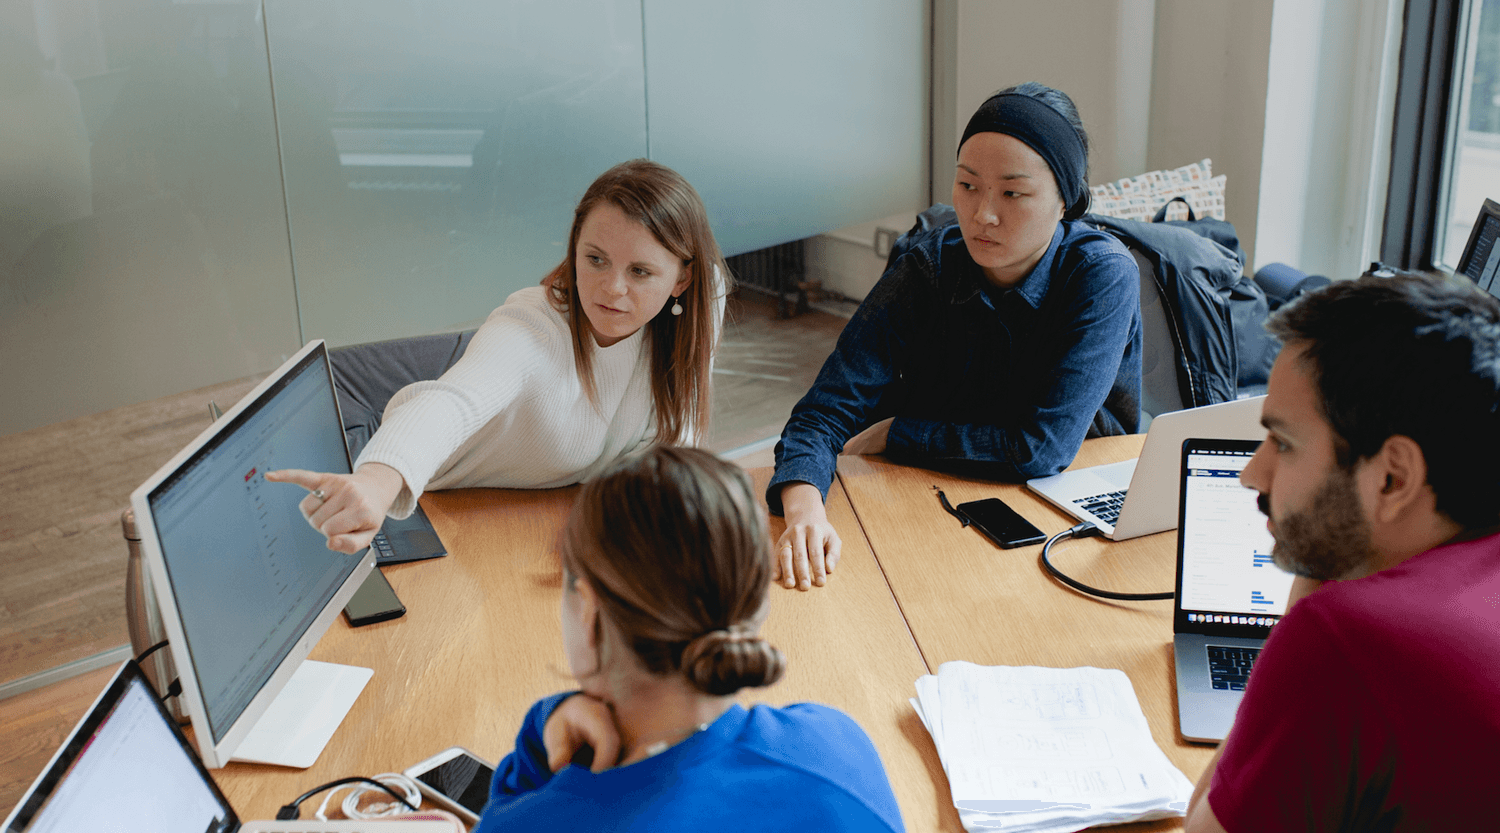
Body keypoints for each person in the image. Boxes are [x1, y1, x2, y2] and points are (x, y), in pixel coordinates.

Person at [768, 82, 1141, 590]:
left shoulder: (1101, 274)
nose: (983, 214)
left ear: (1065, 201)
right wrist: (804, 511)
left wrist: (899, 434)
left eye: (1012, 193)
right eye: (967, 185)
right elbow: (823, 412)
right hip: (939, 490)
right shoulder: (929, 265)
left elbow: (1041, 449)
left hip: (1069, 506)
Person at [269, 159, 728, 553]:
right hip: (402, 483)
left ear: (682, 280)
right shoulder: (532, 328)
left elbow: (673, 446)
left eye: (640, 271)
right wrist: (374, 482)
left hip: (508, 502)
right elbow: (454, 404)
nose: (612, 288)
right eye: (595, 259)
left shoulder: (700, 307)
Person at [1184, 272, 1500, 832]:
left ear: (1392, 478)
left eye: (1283, 443)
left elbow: (1202, 825)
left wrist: (1310, 598)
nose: (1252, 474)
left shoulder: (1348, 638)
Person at [471, 446, 906, 832]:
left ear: (588, 609)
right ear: (755, 601)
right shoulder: (834, 748)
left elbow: (512, 812)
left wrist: (542, 730)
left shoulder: (534, 823)